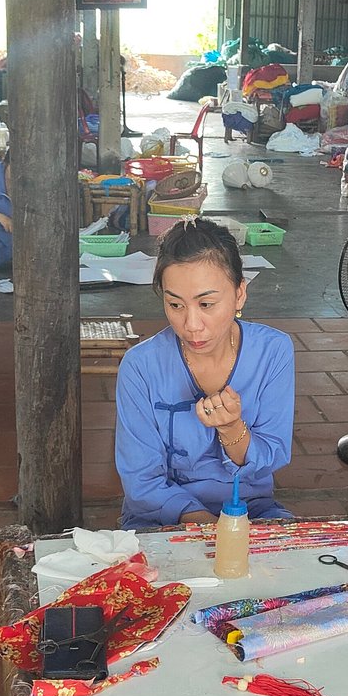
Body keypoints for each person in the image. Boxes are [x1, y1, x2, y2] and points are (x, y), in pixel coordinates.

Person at [115, 218, 294, 529]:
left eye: (207, 303)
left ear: (240, 295)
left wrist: (231, 428)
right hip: (162, 518)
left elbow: (271, 456)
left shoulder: (273, 352)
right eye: (175, 304)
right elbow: (141, 482)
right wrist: (208, 529)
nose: (192, 325)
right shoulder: (140, 367)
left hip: (251, 512)